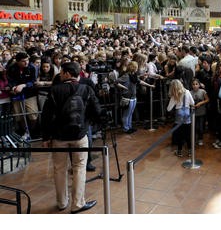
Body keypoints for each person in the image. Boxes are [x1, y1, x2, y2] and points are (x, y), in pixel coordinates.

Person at [40, 62, 104, 214]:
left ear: (68, 73)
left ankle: (62, 202)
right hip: (80, 135)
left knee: (59, 169)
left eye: (62, 72)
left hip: (58, 136)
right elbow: (97, 111)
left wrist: (45, 137)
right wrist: (88, 124)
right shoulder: (86, 89)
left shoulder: (54, 90)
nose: (60, 74)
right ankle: (77, 203)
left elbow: (46, 116)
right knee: (79, 168)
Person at [115, 61, 155, 134]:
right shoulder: (126, 75)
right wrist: (124, 87)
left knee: (130, 113)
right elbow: (116, 81)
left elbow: (140, 82)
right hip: (127, 97)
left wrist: (149, 85)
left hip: (133, 97)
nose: (137, 68)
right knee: (126, 114)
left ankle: (129, 127)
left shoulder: (134, 75)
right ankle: (126, 128)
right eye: (136, 67)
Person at [7, 51, 38, 139]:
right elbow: (10, 80)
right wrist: (13, 87)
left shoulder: (32, 67)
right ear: (17, 61)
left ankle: (31, 131)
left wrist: (23, 85)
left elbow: (33, 81)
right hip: (16, 94)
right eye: (23, 61)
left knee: (33, 114)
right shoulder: (12, 68)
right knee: (18, 115)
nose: (26, 62)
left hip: (29, 94)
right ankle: (25, 132)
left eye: (27, 60)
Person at [167, 79, 195, 157]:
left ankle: (179, 151)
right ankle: (190, 151)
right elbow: (192, 103)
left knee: (180, 134)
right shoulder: (187, 92)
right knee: (188, 134)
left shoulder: (175, 95)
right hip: (187, 113)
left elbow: (168, 109)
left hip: (179, 113)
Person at [191, 78, 209, 146]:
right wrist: (192, 105)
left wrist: (200, 103)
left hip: (201, 112)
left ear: (199, 85)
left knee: (201, 127)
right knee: (194, 127)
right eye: (193, 84)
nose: (195, 86)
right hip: (193, 113)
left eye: (196, 84)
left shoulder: (203, 91)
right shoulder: (190, 92)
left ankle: (200, 139)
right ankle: (194, 139)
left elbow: (207, 99)